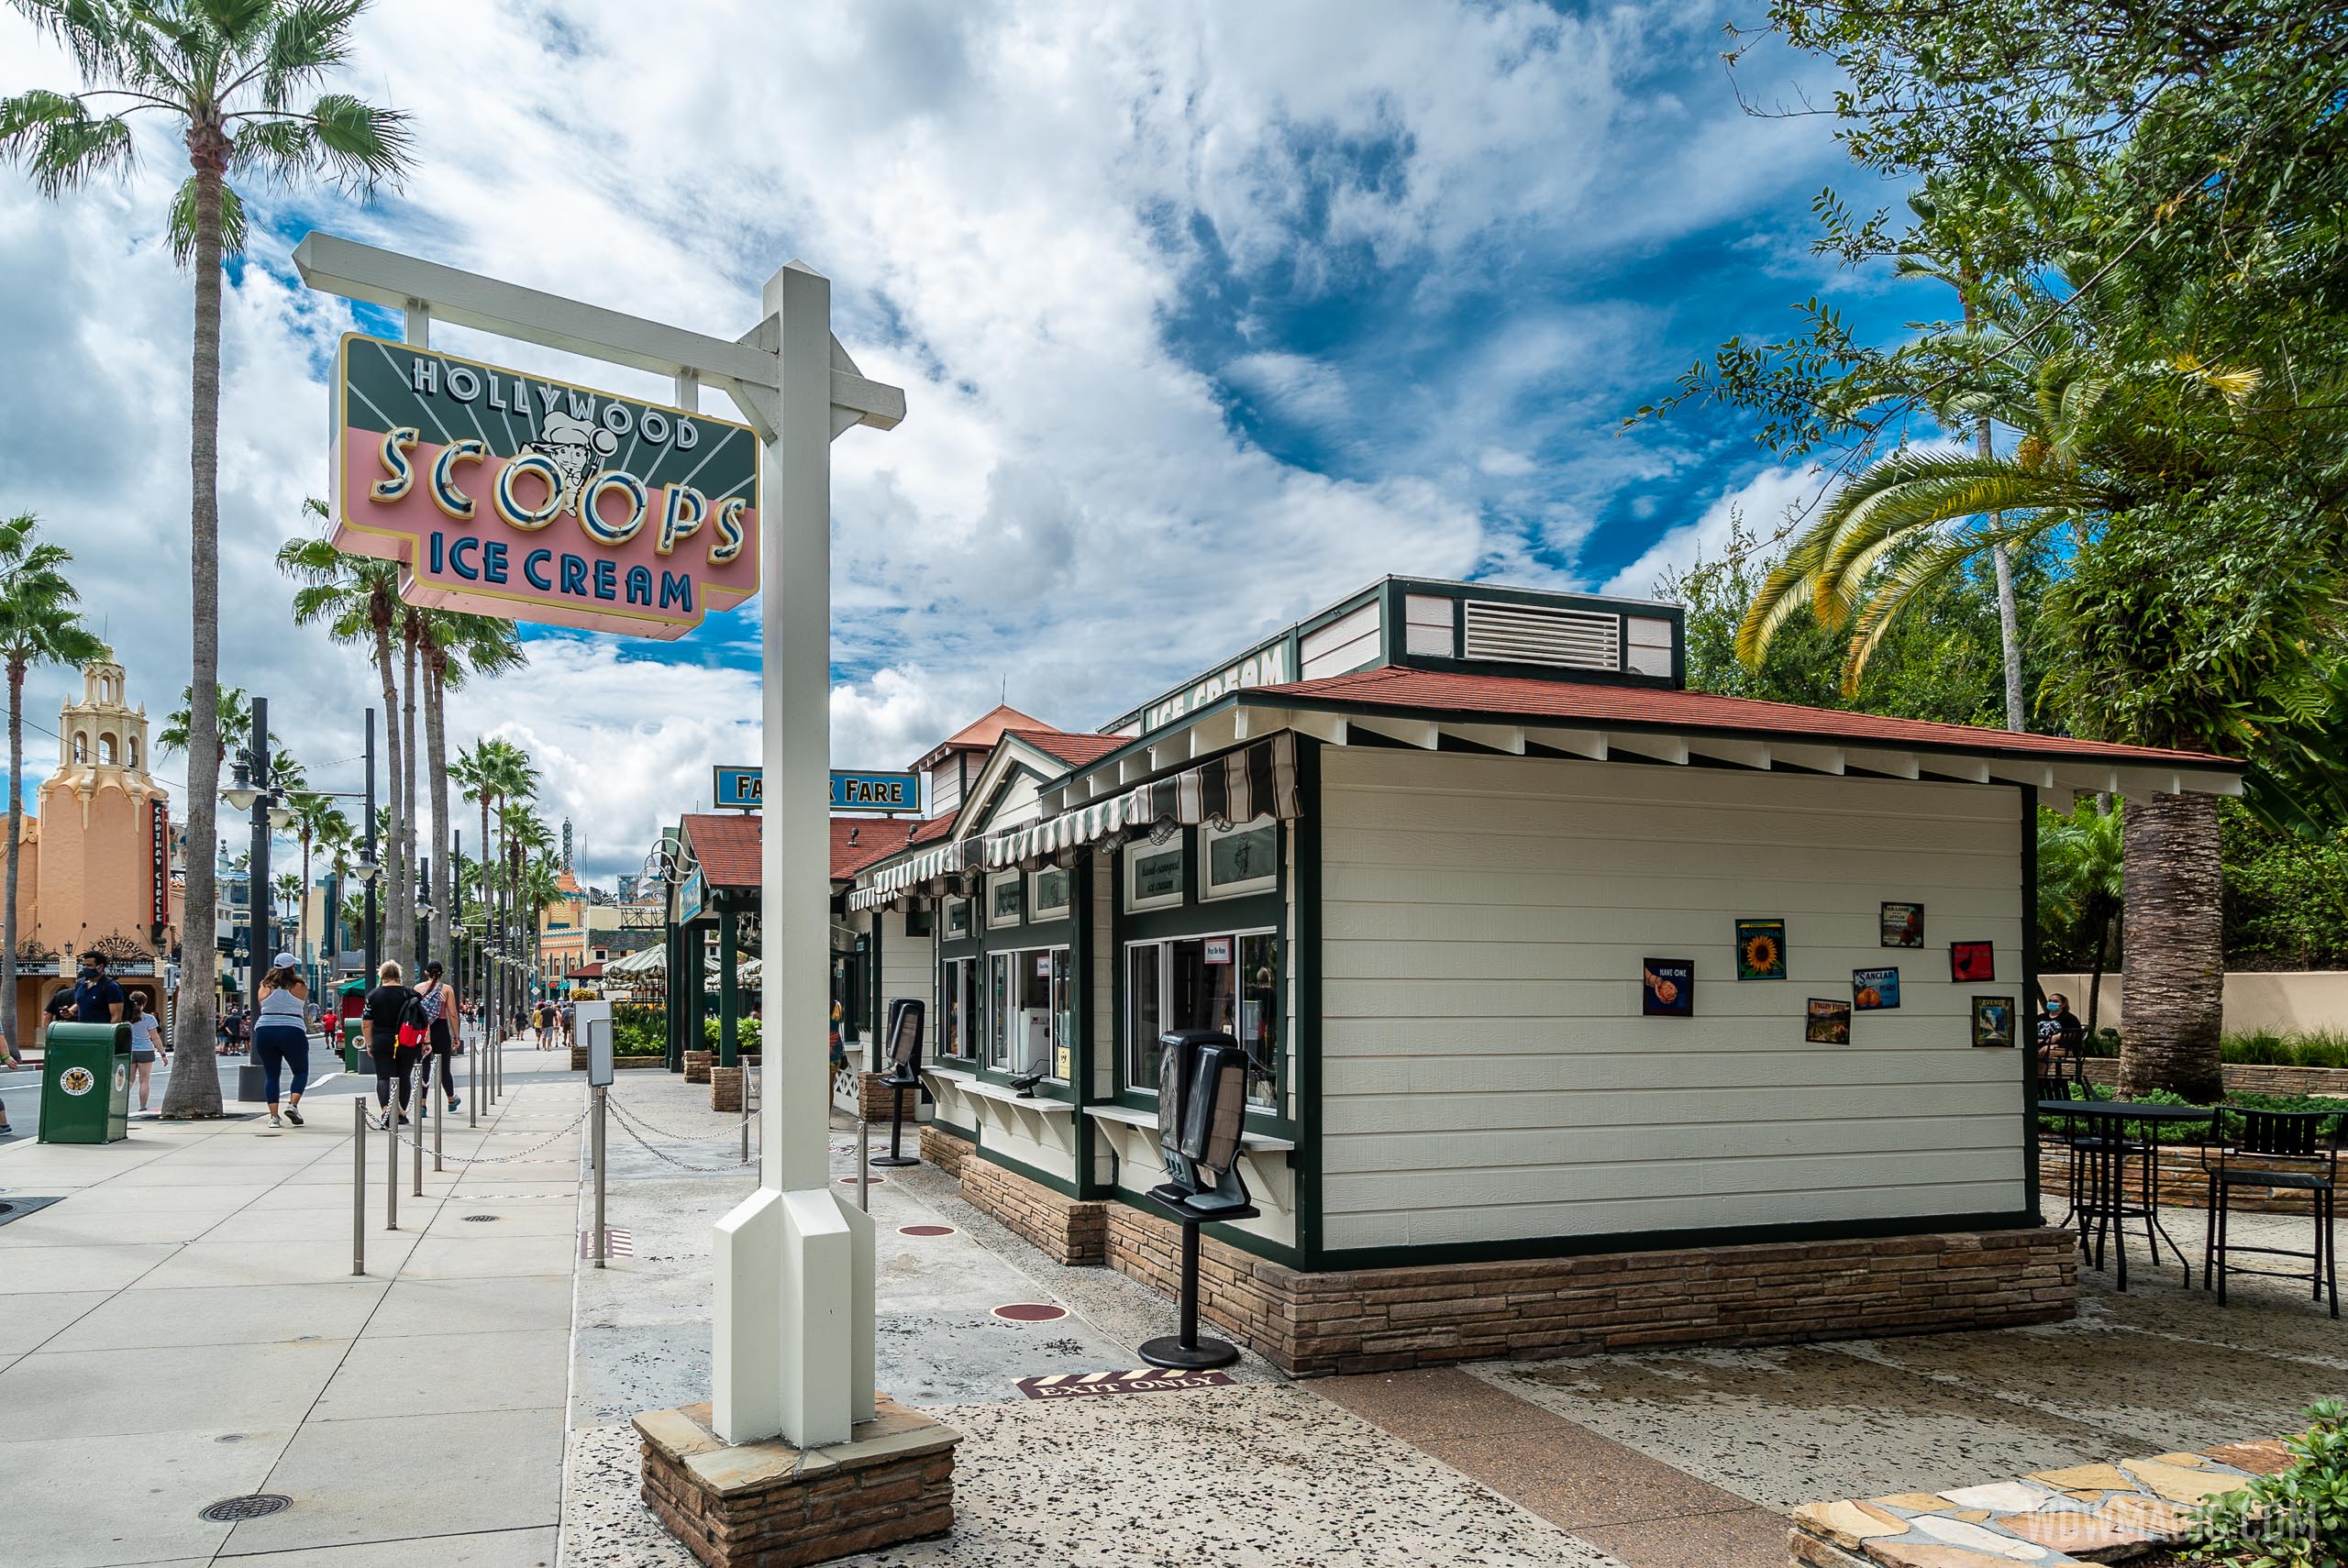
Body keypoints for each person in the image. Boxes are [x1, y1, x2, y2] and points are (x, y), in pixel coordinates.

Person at [253, 955, 310, 1129]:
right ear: (292, 967)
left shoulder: (265, 986)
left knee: (272, 1074)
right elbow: (301, 1002)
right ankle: (292, 1105)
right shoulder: (299, 985)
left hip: (265, 1029)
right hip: (292, 1028)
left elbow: (261, 1005)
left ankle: (273, 1117)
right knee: (300, 1071)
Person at [363, 960, 421, 1129]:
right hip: (407, 1039)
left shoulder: (373, 995)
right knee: (404, 1076)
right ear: (399, 975)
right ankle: (401, 1113)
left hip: (382, 1040)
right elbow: (421, 1019)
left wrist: (369, 1043)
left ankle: (386, 1111)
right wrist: (425, 1041)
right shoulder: (409, 994)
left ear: (381, 975)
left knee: (383, 1077)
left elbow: (367, 1022)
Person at [415, 959, 460, 1113]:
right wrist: (456, 1036)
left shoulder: (418, 988)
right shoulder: (446, 989)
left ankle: (422, 1104)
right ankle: (451, 1100)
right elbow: (453, 1014)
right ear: (441, 973)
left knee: (425, 1067)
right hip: (441, 1029)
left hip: (423, 1031)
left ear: (426, 972)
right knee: (444, 1068)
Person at [124, 992, 167, 1114]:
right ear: (144, 1003)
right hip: (146, 1050)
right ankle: (143, 1107)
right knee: (144, 1080)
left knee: (129, 1080)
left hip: (129, 1050)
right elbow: (155, 1037)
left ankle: (120, 1104)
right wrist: (162, 1054)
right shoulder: (149, 1018)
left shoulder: (125, 1017)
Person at [71, 952, 126, 1023]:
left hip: (101, 1031)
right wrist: (70, 1011)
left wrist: (108, 1034)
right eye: (83, 965)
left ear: (100, 967)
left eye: (89, 965)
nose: (85, 968)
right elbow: (81, 1003)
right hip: (82, 1030)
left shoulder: (111, 986)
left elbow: (116, 1017)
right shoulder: (80, 983)